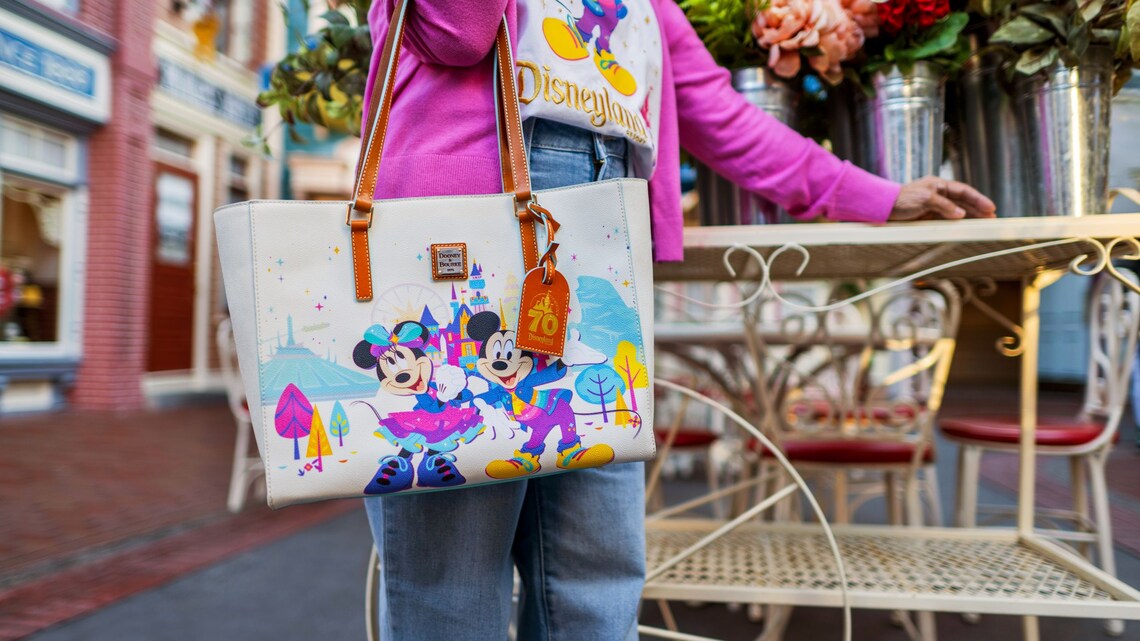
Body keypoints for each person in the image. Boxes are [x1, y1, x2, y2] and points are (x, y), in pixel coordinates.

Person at [361, 1, 997, 639]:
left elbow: (723, 118)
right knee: (452, 581)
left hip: (603, 233)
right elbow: (460, 33)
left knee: (595, 573)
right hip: (462, 236)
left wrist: (878, 195)